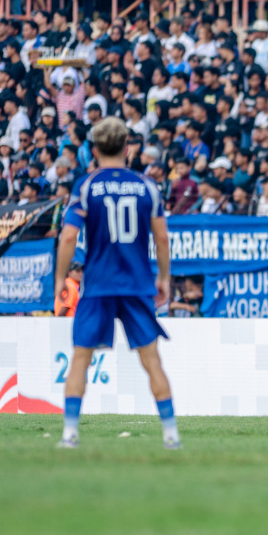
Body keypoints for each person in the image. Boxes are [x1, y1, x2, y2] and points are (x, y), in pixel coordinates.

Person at [54, 117, 180, 450]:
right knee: (151, 361)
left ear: (94, 150)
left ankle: (69, 435)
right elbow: (162, 238)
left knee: (81, 359)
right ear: (127, 147)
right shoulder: (147, 186)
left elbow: (68, 237)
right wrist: (163, 278)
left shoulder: (86, 186)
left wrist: (60, 278)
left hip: (98, 285)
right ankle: (171, 436)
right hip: (136, 284)